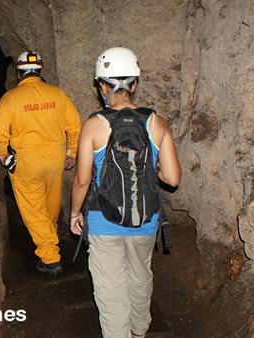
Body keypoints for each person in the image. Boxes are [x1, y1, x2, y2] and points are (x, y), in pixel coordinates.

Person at [70, 47, 181, 338]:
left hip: (103, 220)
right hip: (146, 218)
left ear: (102, 86)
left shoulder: (94, 126)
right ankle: (140, 328)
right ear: (135, 84)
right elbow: (171, 178)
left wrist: (73, 213)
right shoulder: (156, 123)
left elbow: (82, 180)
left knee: (110, 287)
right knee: (140, 274)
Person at [0, 50, 81, 275]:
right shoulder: (57, 94)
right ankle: (49, 236)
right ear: (39, 70)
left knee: (32, 208)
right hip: (55, 159)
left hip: (27, 162)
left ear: (19, 73)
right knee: (50, 203)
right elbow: (74, 126)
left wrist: (3, 156)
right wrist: (72, 152)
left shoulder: (10, 99)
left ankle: (50, 256)